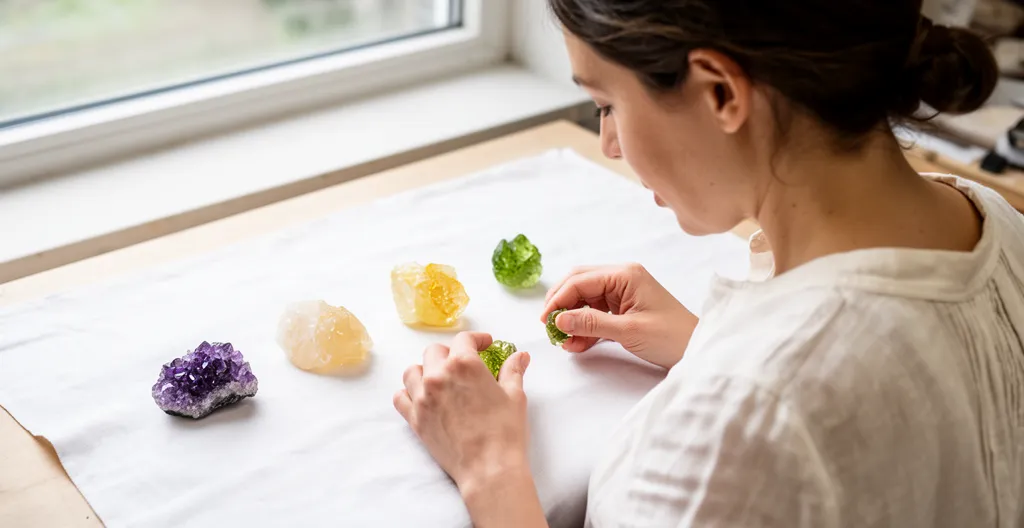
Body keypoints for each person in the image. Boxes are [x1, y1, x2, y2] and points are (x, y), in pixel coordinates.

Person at [393, 1, 1024, 526]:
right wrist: (711, 343)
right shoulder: (997, 221)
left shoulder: (738, 425)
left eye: (608, 104)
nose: (608, 145)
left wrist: (489, 469)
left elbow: (780, 424)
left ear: (720, 91)